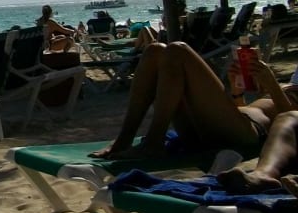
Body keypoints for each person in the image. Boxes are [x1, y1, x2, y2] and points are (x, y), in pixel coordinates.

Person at [91, 42, 298, 160]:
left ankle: (154, 142)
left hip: (248, 135)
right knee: (154, 50)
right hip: (226, 125)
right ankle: (123, 140)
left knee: (178, 51)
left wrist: (272, 85)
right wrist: (236, 92)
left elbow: (290, 123)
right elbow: (245, 109)